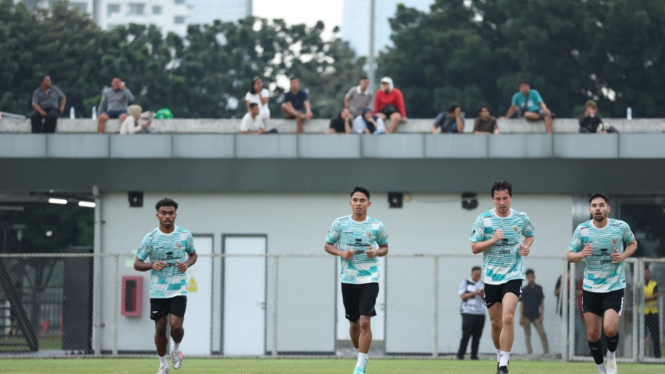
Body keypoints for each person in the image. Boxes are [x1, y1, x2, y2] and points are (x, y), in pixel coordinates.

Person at [567, 192, 638, 374]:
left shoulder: (620, 227)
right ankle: (601, 369)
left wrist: (622, 256)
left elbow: (633, 244)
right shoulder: (582, 230)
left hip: (614, 287)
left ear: (608, 208)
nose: (598, 208)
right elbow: (570, 255)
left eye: (601, 205)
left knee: (610, 328)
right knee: (593, 334)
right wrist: (582, 254)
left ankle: (611, 356)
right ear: (590, 209)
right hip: (590, 289)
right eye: (594, 206)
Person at [469, 180, 534, 374]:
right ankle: (499, 356)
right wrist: (493, 239)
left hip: (513, 275)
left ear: (511, 197)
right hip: (491, 278)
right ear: (493, 199)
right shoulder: (483, 219)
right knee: (496, 323)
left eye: (505, 198)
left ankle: (504, 365)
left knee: (507, 318)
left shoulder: (521, 218)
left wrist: (526, 245)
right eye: (498, 199)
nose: (502, 202)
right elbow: (474, 248)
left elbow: (530, 235)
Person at [325, 186, 389, 374]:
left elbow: (385, 247)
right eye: (355, 200)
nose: (358, 203)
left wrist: (376, 252)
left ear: (368, 203)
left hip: (370, 279)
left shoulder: (377, 225)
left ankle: (359, 366)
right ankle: (361, 354)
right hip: (348, 280)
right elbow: (328, 245)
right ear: (350, 203)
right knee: (353, 324)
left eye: (362, 200)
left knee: (364, 322)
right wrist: (341, 252)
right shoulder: (340, 223)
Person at [134, 198, 198, 374]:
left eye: (171, 213)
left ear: (175, 214)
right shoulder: (150, 238)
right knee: (160, 328)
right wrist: (151, 265)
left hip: (178, 289)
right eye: (164, 213)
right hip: (158, 291)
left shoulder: (185, 235)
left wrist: (187, 263)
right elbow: (137, 263)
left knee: (176, 327)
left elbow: (193, 255)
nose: (167, 216)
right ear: (158, 215)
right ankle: (163, 365)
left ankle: (176, 349)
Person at [457, 266, 486, 360]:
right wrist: (474, 293)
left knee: (477, 336)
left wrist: (482, 294)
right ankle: (460, 355)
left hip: (480, 313)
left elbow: (488, 298)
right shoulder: (465, 283)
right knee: (466, 334)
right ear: (471, 274)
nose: (478, 277)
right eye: (476, 275)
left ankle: (474, 355)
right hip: (468, 312)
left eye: (479, 275)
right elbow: (462, 296)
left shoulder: (483, 284)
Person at [520, 269, 549, 355]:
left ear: (534, 277)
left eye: (531, 277)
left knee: (542, 333)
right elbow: (522, 304)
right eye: (528, 277)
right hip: (526, 315)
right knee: (527, 335)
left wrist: (541, 315)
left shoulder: (539, 288)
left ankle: (546, 352)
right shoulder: (524, 289)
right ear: (526, 278)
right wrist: (521, 316)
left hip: (536, 314)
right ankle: (530, 353)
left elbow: (541, 302)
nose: (530, 279)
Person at [644, 266, 661, 358]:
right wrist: (651, 297)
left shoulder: (654, 284)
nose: (648, 275)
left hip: (653, 312)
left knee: (655, 335)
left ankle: (657, 356)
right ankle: (640, 355)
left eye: (649, 273)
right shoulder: (638, 284)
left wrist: (645, 298)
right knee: (641, 336)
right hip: (642, 313)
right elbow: (638, 298)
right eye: (646, 273)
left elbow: (656, 295)